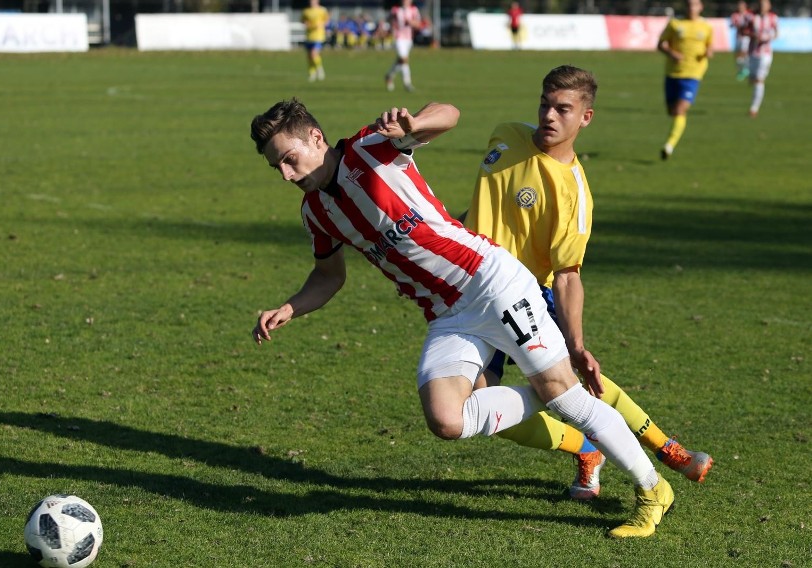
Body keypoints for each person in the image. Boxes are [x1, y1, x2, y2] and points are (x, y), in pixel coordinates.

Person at [250, 98, 674, 538]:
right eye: (276, 167)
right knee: (447, 419)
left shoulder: (371, 147)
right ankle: (550, 386)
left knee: (565, 398)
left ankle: (652, 489)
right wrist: (290, 307)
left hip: (491, 281)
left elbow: (450, 114)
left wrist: (415, 124)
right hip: (448, 314)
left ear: (315, 139)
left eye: (289, 159)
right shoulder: (316, 213)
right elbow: (328, 275)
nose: (286, 174)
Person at [462, 65, 713, 505]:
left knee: (575, 382)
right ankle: (585, 448)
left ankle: (666, 448)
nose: (550, 116)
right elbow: (480, 209)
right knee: (476, 407)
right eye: (545, 104)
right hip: (471, 294)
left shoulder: (572, 192)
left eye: (563, 109)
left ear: (585, 118)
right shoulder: (504, 136)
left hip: (524, 298)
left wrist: (577, 342)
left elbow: (567, 275)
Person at [657, 0, 713, 160]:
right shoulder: (675, 23)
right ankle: (671, 140)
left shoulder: (706, 27)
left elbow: (710, 46)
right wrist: (672, 53)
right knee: (672, 111)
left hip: (693, 75)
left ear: (701, 7)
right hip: (673, 74)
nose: (691, 7)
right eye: (689, 4)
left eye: (695, 4)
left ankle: (669, 145)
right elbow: (660, 44)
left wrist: (708, 52)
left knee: (680, 110)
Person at [745, 0, 778, 118]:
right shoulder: (751, 17)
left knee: (759, 79)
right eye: (760, 4)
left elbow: (776, 33)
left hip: (766, 53)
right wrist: (753, 35)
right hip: (753, 52)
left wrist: (767, 37)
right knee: (753, 78)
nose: (762, 6)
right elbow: (744, 31)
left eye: (765, 4)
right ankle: (754, 102)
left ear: (769, 6)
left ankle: (754, 108)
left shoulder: (773, 18)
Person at [384, 0, 421, 92]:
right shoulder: (395, 10)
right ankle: (407, 83)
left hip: (408, 39)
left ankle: (389, 75)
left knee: (400, 61)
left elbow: (418, 24)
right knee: (404, 59)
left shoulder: (414, 10)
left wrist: (412, 23)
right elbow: (388, 20)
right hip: (398, 38)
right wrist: (392, 22)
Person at [302, 0, 330, 81]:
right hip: (309, 36)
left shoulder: (322, 10)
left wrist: (321, 25)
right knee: (309, 57)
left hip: (318, 36)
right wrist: (305, 23)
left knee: (313, 53)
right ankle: (312, 74)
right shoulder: (306, 11)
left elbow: (327, 20)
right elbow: (303, 20)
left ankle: (319, 69)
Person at [730, 1, 752, 80]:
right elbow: (732, 25)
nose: (740, 7)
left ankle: (746, 69)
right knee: (737, 56)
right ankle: (742, 70)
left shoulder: (749, 15)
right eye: (739, 5)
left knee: (743, 53)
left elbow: (752, 24)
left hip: (746, 37)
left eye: (741, 6)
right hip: (738, 37)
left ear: (745, 6)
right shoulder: (735, 15)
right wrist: (736, 25)